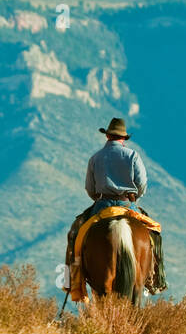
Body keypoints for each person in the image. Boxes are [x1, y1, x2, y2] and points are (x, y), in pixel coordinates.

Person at [65, 117, 167, 292]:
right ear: (124, 138)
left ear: (108, 136)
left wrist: (97, 195)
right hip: (128, 204)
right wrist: (135, 196)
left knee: (75, 233)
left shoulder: (95, 157)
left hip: (102, 205)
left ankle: (72, 282)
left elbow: (89, 187)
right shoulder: (133, 155)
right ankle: (155, 279)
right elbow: (141, 183)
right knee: (154, 233)